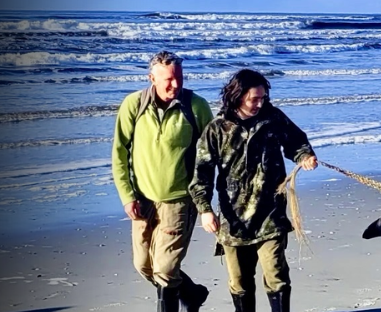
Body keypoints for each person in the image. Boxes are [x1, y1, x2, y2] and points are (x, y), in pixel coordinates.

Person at [190, 69, 318, 312]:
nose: (260, 103)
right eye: (254, 99)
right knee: (240, 282)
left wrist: (304, 156)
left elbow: (297, 141)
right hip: (233, 219)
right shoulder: (217, 129)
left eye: (263, 98)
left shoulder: (272, 118)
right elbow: (201, 173)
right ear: (238, 96)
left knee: (276, 274)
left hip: (271, 214)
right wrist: (205, 210)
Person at [113, 51, 215, 312]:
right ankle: (192, 294)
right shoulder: (133, 105)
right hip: (143, 201)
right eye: (168, 79)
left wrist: (206, 205)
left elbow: (211, 154)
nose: (175, 85)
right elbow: (119, 152)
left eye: (179, 78)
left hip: (180, 201)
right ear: (152, 78)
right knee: (144, 266)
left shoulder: (196, 106)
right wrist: (127, 195)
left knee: (165, 269)